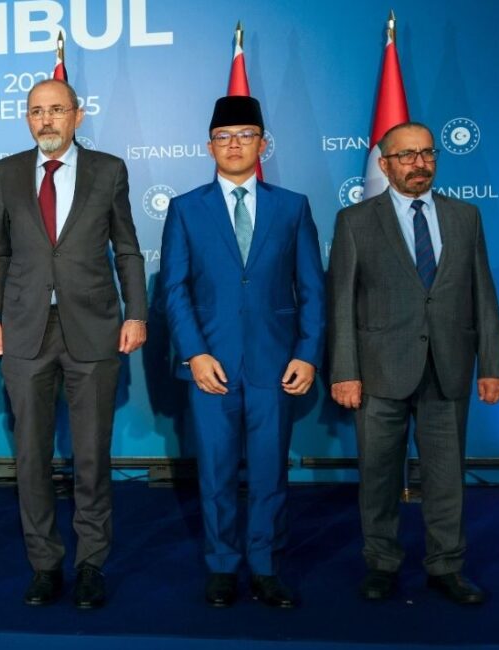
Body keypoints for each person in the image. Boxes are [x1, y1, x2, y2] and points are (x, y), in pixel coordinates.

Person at [0, 79, 148, 609]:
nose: (46, 120)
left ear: (77, 114)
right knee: (30, 456)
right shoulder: (7, 171)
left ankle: (92, 562)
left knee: (92, 456)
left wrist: (136, 312)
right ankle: (44, 564)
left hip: (93, 329)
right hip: (24, 330)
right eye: (36, 111)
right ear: (27, 119)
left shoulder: (109, 170)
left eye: (56, 110)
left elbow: (127, 249)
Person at [328, 121, 499, 606]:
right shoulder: (355, 221)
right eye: (406, 156)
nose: (419, 164)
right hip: (379, 372)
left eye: (427, 154)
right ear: (384, 165)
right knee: (380, 475)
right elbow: (341, 303)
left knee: (446, 476)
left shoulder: (465, 216)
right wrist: (344, 370)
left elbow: (483, 296)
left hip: (448, 369)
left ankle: (446, 566)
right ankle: (382, 564)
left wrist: (494, 364)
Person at [160, 96, 325, 608]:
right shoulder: (186, 208)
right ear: (209, 146)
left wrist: (307, 353)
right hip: (211, 365)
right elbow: (175, 288)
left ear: (263, 144)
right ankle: (222, 564)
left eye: (246, 135)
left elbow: (312, 289)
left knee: (271, 470)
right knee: (215, 472)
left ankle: (265, 564)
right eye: (224, 136)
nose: (235, 144)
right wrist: (194, 354)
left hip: (276, 364)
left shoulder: (292, 206)